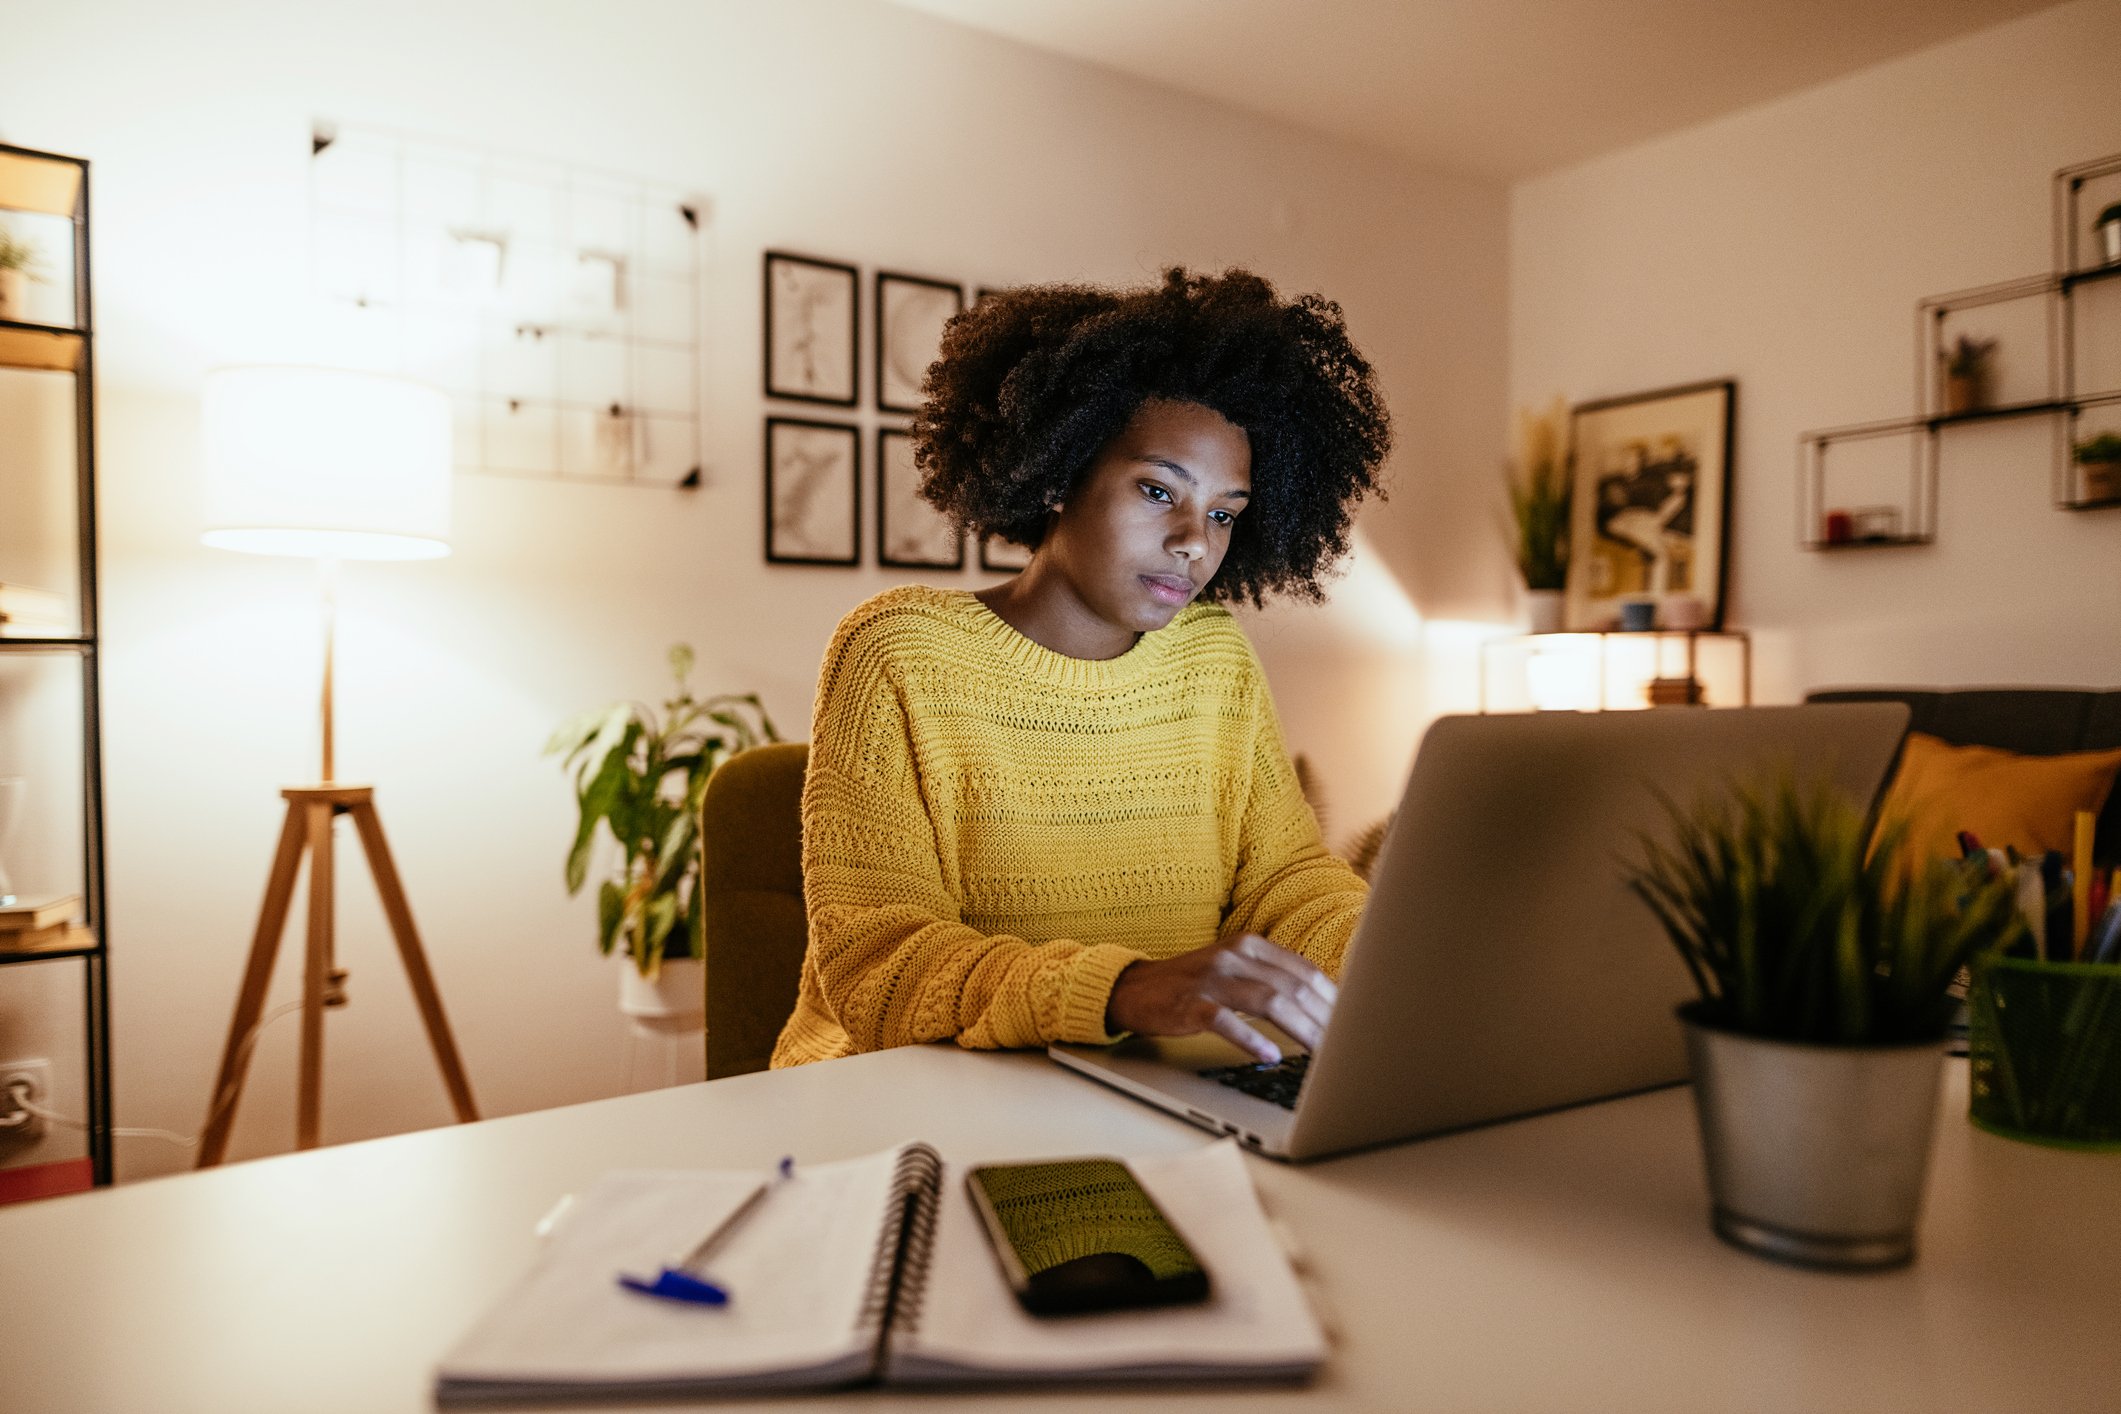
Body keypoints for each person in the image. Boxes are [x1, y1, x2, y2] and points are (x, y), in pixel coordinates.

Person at [770, 268, 1392, 1070]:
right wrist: (1120, 988)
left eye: (1223, 513)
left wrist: (1390, 956)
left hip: (1146, 1080)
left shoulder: (1211, 655)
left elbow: (1286, 882)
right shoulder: (900, 652)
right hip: (909, 1095)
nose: (1194, 542)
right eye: (1157, 490)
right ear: (1061, 474)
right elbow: (880, 963)